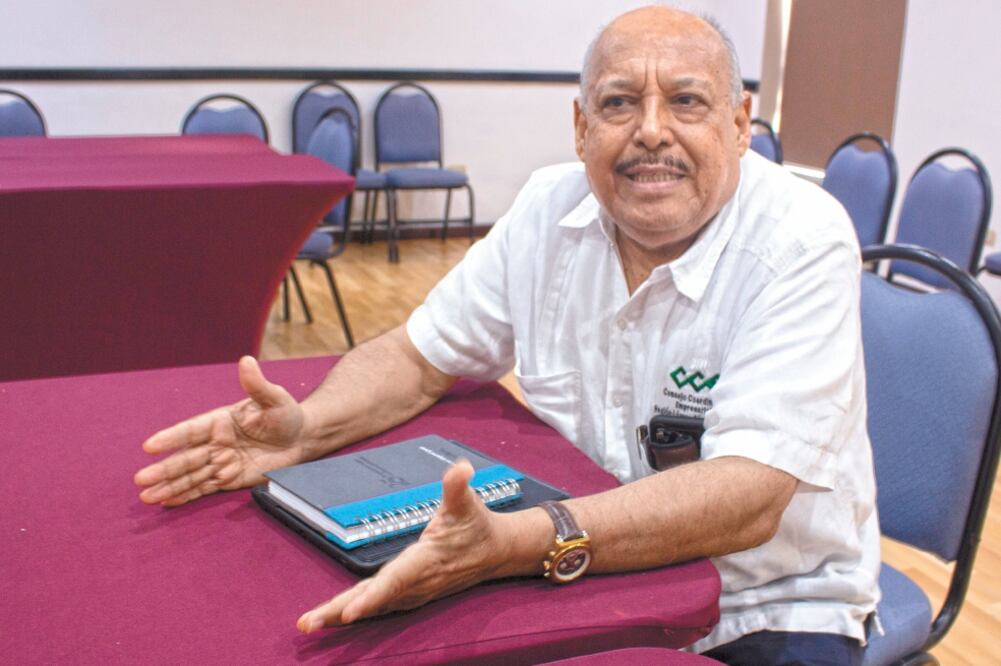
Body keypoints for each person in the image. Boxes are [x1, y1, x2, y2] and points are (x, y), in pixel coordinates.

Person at [134, 6, 879, 664]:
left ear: (740, 123)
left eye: (686, 102)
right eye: (619, 103)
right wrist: (307, 430)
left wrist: (514, 544)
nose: (652, 131)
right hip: (593, 565)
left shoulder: (800, 237)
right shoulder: (545, 209)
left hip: (766, 603)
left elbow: (746, 498)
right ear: (581, 125)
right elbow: (416, 354)